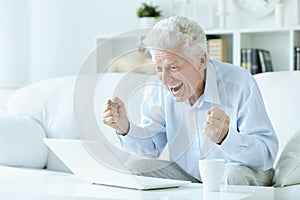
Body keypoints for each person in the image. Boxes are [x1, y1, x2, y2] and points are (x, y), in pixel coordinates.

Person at [101, 16, 278, 185]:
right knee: (135, 168)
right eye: (159, 68)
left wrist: (227, 137)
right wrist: (125, 128)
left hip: (240, 172)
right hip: (189, 176)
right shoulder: (158, 89)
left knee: (234, 175)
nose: (165, 78)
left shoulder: (239, 82)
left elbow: (266, 154)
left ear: (201, 60)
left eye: (173, 67)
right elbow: (152, 147)